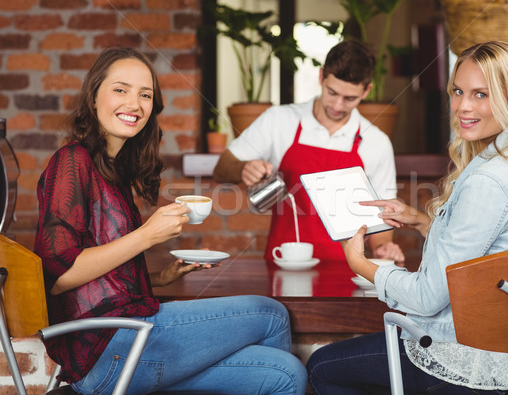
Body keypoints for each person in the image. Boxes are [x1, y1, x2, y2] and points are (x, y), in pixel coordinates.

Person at [34, 47, 307, 395]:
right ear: (94, 96)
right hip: (109, 349)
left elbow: (101, 279)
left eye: (144, 94)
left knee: (285, 374)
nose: (134, 103)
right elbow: (57, 276)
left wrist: (160, 278)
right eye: (121, 89)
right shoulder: (72, 161)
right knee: (271, 315)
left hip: (131, 341)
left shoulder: (113, 171)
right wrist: (147, 236)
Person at [306, 41, 508, 394]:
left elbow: (429, 297)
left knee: (322, 367)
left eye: (480, 94)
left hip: (464, 362)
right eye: (458, 91)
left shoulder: (487, 180)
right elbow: (483, 253)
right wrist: (421, 221)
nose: (462, 106)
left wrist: (361, 263)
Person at [213, 40, 404, 264]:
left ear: (367, 90)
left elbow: (381, 217)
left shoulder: (376, 142)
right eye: (331, 92)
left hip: (349, 269)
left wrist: (383, 248)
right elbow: (221, 169)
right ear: (321, 77)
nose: (338, 105)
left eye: (350, 98)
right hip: (285, 263)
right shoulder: (279, 120)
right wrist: (243, 168)